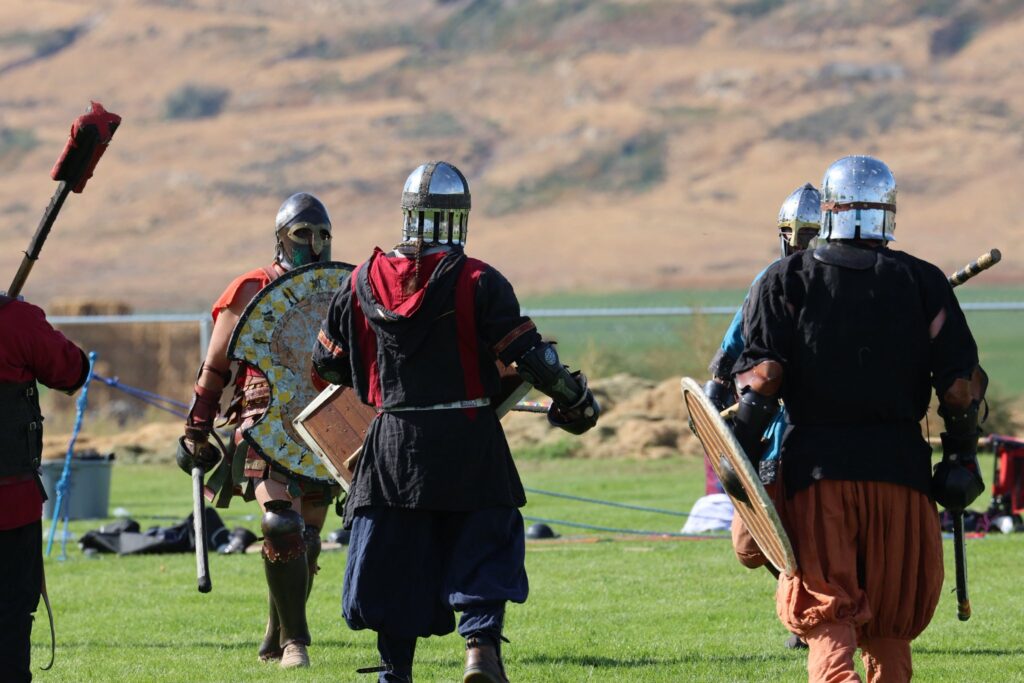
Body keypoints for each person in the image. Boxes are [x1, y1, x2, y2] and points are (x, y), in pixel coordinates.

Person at [311, 161, 600, 683]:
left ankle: (395, 671)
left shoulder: (357, 282)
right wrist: (576, 399)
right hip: (467, 434)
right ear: (458, 219)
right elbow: (532, 358)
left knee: (394, 554)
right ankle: (480, 654)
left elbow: (327, 363)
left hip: (392, 440)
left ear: (407, 215)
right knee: (484, 535)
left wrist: (382, 368)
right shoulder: (477, 280)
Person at [732, 155, 985, 682]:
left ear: (827, 210)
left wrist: (740, 450)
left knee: (827, 614)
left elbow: (763, 379)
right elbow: (959, 389)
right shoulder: (922, 281)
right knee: (890, 625)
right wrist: (961, 456)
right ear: (888, 212)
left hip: (818, 478)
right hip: (902, 477)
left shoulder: (786, 279)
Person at [177, 192, 337, 669]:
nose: (314, 242)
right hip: (264, 422)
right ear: (282, 238)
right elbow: (215, 366)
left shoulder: (339, 289)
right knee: (279, 524)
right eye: (303, 232)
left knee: (306, 540)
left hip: (321, 425)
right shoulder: (252, 289)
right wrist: (197, 428)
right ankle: (296, 644)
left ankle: (277, 628)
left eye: (323, 234)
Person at [702, 183, 820, 649]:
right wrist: (712, 396)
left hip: (819, 429)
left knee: (820, 531)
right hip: (768, 429)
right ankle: (796, 593)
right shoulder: (770, 282)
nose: (805, 244)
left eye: (812, 234)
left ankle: (815, 616)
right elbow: (735, 343)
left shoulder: (847, 284)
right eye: (798, 234)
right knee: (751, 546)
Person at [0, 295, 88, 682]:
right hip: (9, 506)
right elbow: (71, 371)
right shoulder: (17, 320)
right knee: (11, 611)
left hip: (11, 500)